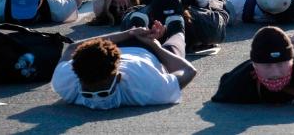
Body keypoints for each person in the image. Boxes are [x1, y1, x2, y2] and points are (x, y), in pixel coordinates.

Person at [51, 19, 198, 109]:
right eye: (87, 93)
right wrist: (130, 35)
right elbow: (72, 49)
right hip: (130, 47)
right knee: (170, 46)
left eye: (104, 92)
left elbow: (189, 71)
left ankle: (175, 25)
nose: (96, 103)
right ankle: (140, 24)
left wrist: (154, 46)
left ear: (119, 77)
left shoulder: (144, 84)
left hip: (146, 51)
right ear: (78, 78)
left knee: (175, 41)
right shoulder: (67, 79)